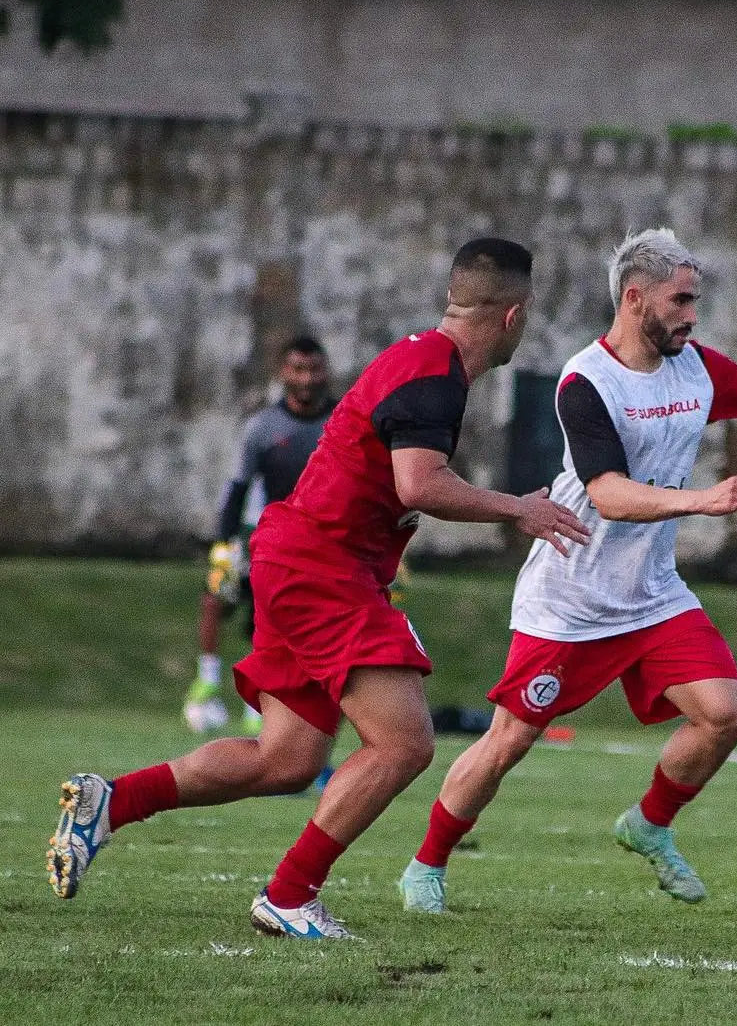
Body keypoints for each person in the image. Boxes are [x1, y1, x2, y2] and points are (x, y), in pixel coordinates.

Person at [46, 237, 590, 940]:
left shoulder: (421, 358)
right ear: (513, 316)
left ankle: (111, 802)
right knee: (405, 743)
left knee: (289, 758)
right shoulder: (436, 374)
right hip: (321, 565)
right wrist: (520, 507)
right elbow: (418, 483)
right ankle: (289, 893)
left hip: (305, 557)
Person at [397, 227, 737, 913]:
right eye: (682, 300)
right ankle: (426, 865)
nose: (693, 314)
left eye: (696, 300)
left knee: (726, 713)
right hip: (571, 598)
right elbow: (610, 493)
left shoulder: (697, 369)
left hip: (651, 596)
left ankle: (648, 823)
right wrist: (702, 500)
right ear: (636, 296)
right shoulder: (585, 382)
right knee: (509, 741)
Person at [184, 336, 334, 736]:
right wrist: (222, 545)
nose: (306, 379)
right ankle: (208, 679)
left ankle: (266, 702)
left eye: (314, 369)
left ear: (326, 372)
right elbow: (236, 487)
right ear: (284, 373)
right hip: (262, 535)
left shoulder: (341, 422)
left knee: (282, 623)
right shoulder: (263, 427)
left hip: (320, 542)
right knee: (216, 597)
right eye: (298, 369)